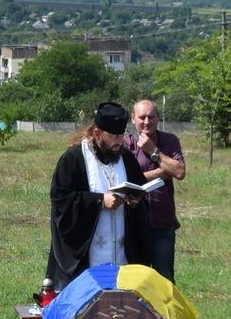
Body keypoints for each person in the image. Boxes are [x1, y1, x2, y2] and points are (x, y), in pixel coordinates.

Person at [49, 102, 152, 289]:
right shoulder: (74, 158)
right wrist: (100, 201)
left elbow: (139, 191)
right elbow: (61, 201)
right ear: (97, 133)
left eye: (122, 135)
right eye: (114, 136)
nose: (120, 141)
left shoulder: (126, 158)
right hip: (88, 258)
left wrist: (136, 201)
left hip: (122, 255)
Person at [127, 99, 186, 284]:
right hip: (134, 224)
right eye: (142, 117)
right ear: (133, 118)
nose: (146, 121)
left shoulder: (169, 141)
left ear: (158, 118)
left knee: (165, 280)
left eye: (151, 117)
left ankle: (166, 315)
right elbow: (126, 180)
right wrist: (163, 172)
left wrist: (154, 151)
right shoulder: (125, 144)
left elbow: (179, 172)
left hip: (162, 224)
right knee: (135, 281)